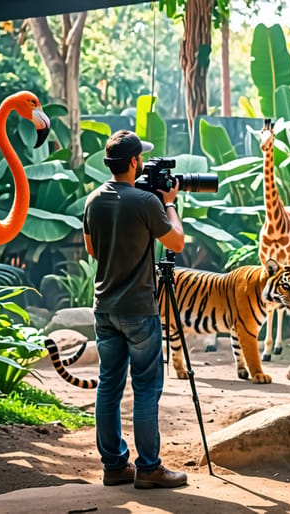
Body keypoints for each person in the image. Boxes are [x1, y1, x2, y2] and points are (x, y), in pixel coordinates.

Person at [83, 129, 187, 489]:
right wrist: (169, 202)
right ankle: (149, 468)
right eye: (139, 157)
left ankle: (114, 466)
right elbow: (176, 241)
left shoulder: (93, 200)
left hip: (104, 309)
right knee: (145, 388)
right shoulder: (147, 203)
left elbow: (93, 249)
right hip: (140, 310)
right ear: (133, 162)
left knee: (109, 385)